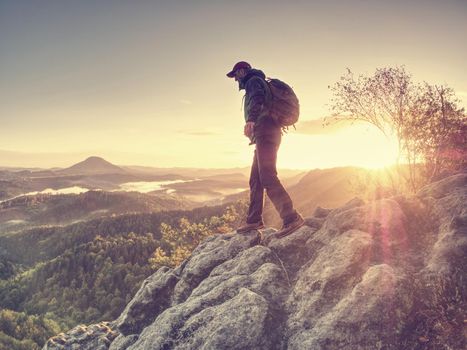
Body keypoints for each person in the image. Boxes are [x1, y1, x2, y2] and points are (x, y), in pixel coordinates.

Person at [226, 61, 304, 238]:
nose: (235, 79)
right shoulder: (256, 82)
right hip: (265, 134)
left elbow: (258, 98)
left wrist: (251, 120)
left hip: (267, 133)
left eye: (235, 75)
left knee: (267, 176)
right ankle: (254, 219)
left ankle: (291, 218)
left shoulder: (254, 81)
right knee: (256, 179)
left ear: (242, 71)